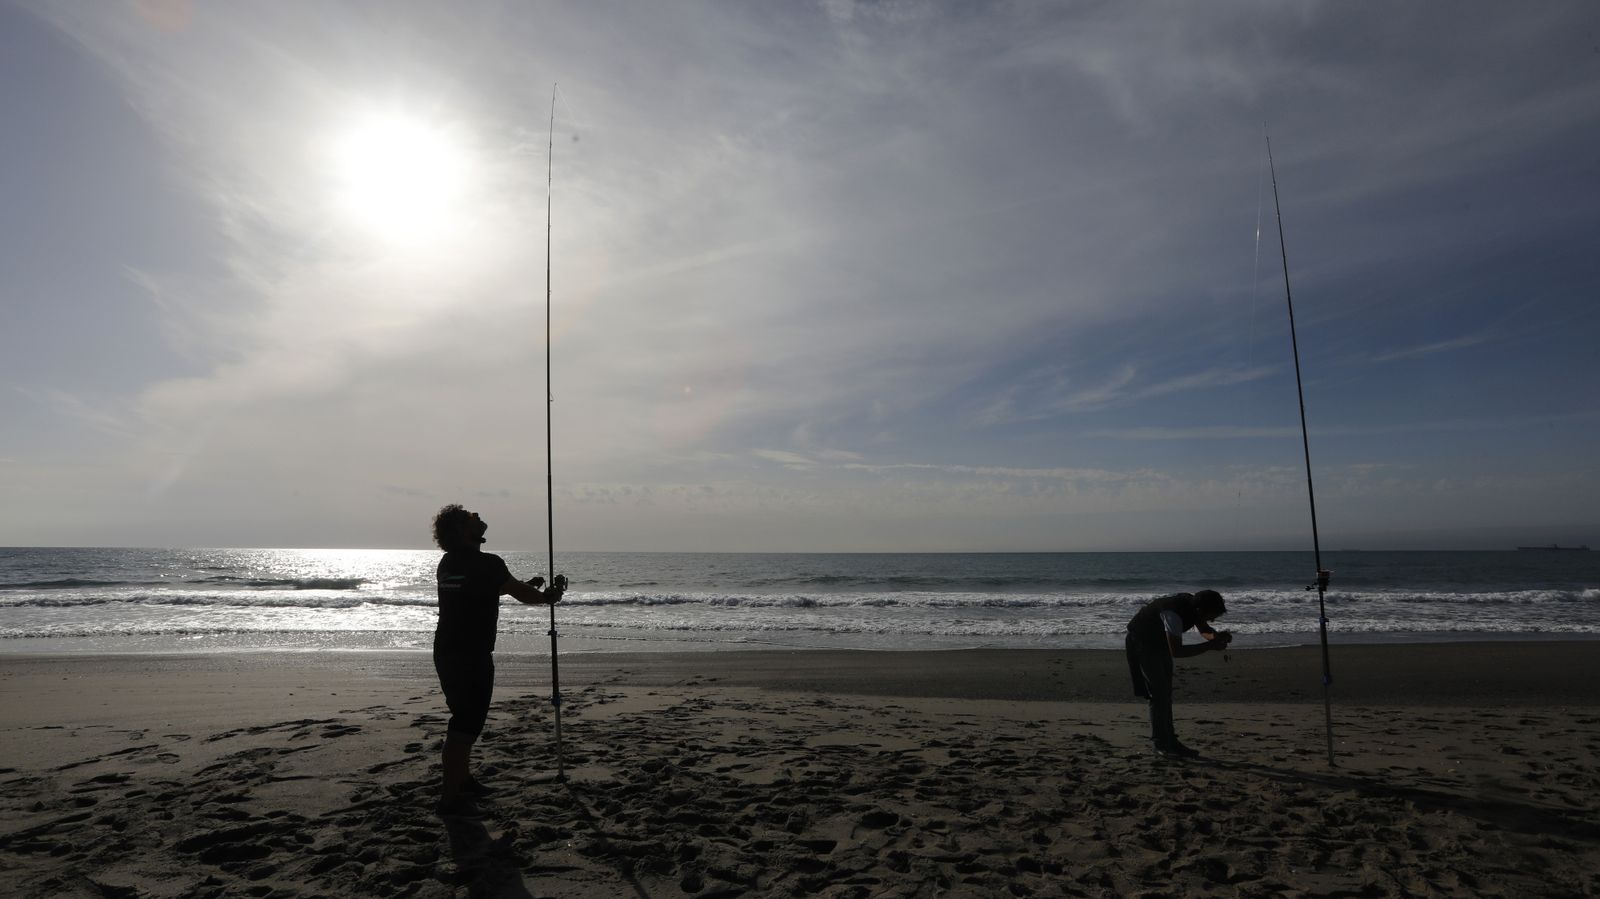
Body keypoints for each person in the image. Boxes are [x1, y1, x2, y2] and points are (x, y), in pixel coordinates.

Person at [431, 503, 566, 814]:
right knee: (466, 723)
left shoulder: (448, 563)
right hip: (471, 654)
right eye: (469, 517)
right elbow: (520, 592)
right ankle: (449, 798)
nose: (476, 516)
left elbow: (483, 588)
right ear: (463, 532)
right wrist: (549, 596)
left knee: (463, 716)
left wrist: (519, 586)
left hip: (447, 651)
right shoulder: (489, 564)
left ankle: (462, 782)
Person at [1124, 589, 1232, 758]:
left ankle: (1171, 741)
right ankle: (1160, 744)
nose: (1212, 619)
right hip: (1141, 642)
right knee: (1159, 695)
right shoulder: (1173, 613)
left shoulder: (1194, 605)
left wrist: (1215, 637)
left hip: (1159, 643)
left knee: (1165, 694)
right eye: (1211, 615)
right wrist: (1210, 646)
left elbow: (1204, 629)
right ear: (1200, 610)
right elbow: (1177, 651)